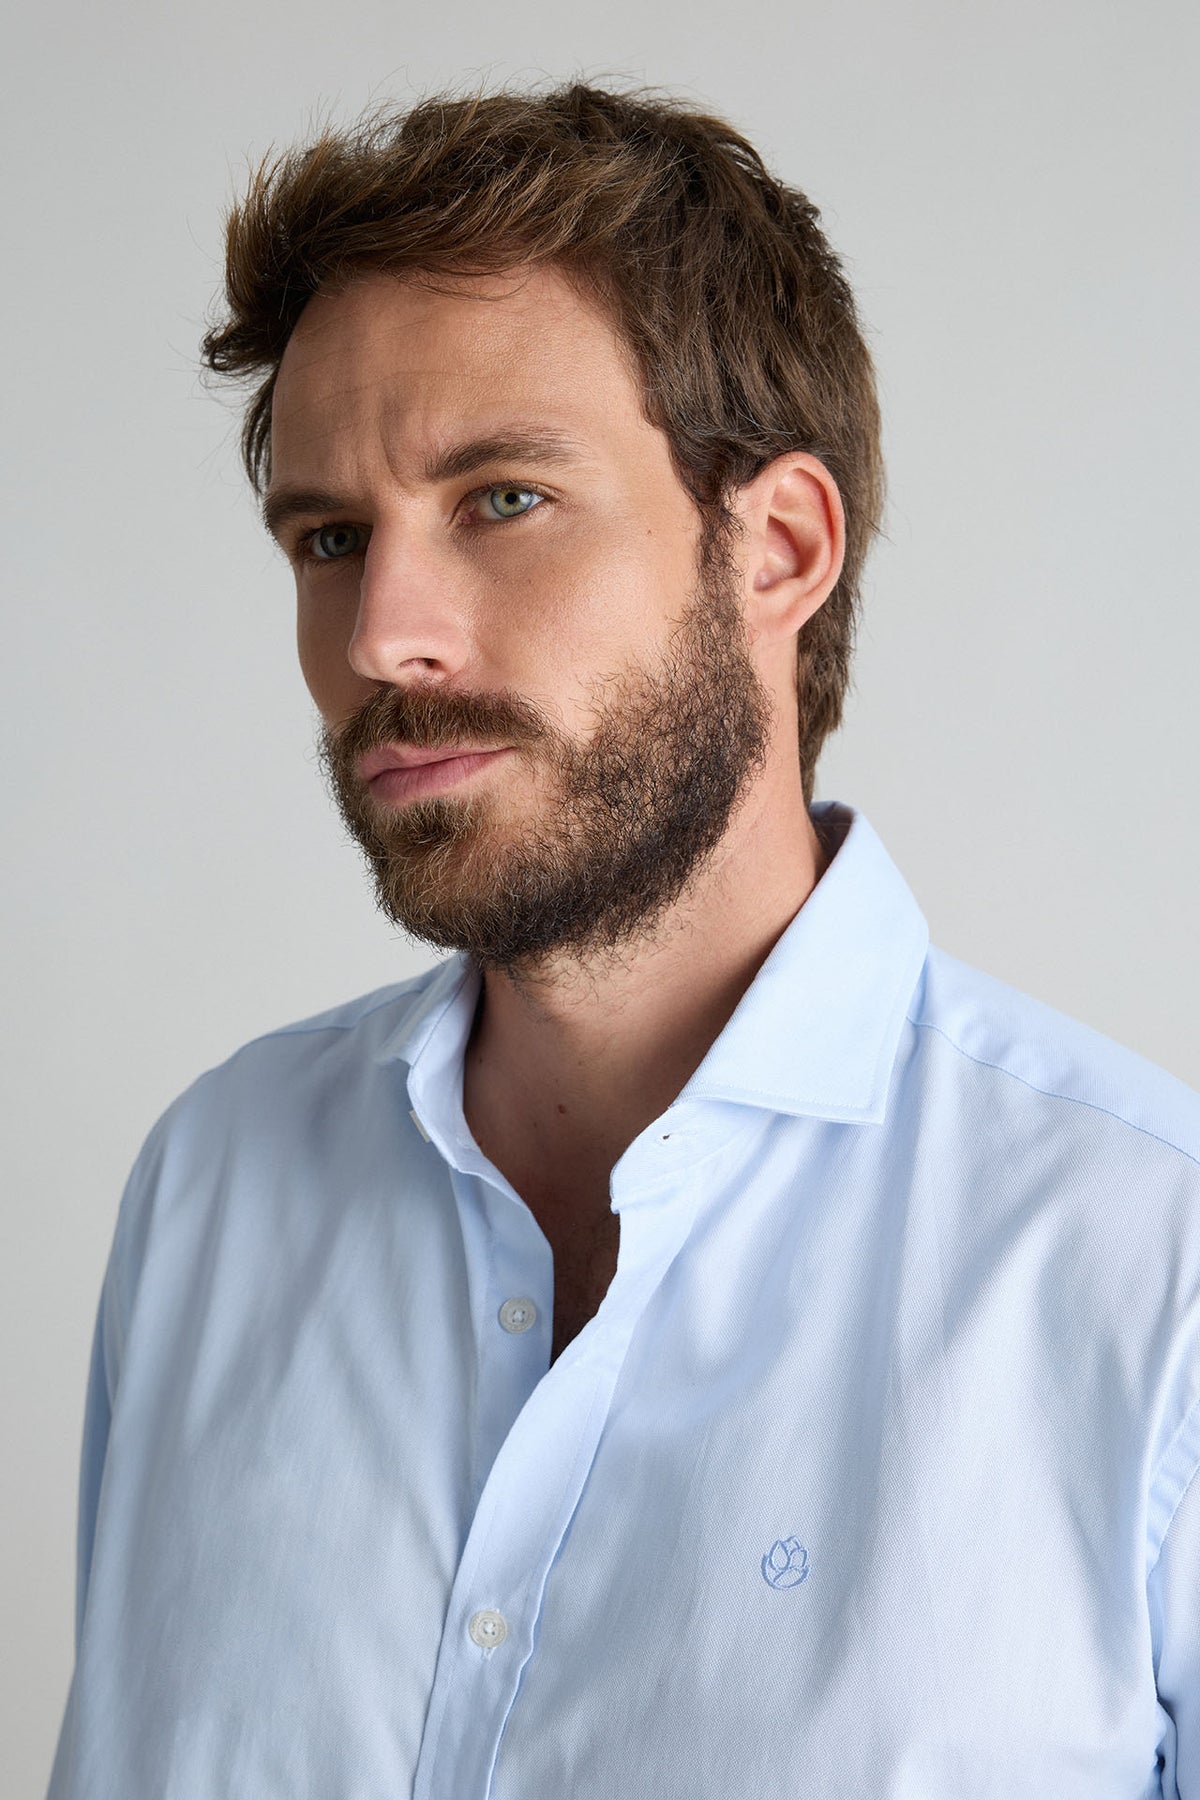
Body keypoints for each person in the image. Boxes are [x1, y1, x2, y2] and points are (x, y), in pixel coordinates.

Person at [48, 80, 1199, 1800]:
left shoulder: (1150, 1273)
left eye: (502, 499)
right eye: (331, 538)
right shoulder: (213, 1186)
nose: (381, 637)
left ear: (779, 547)